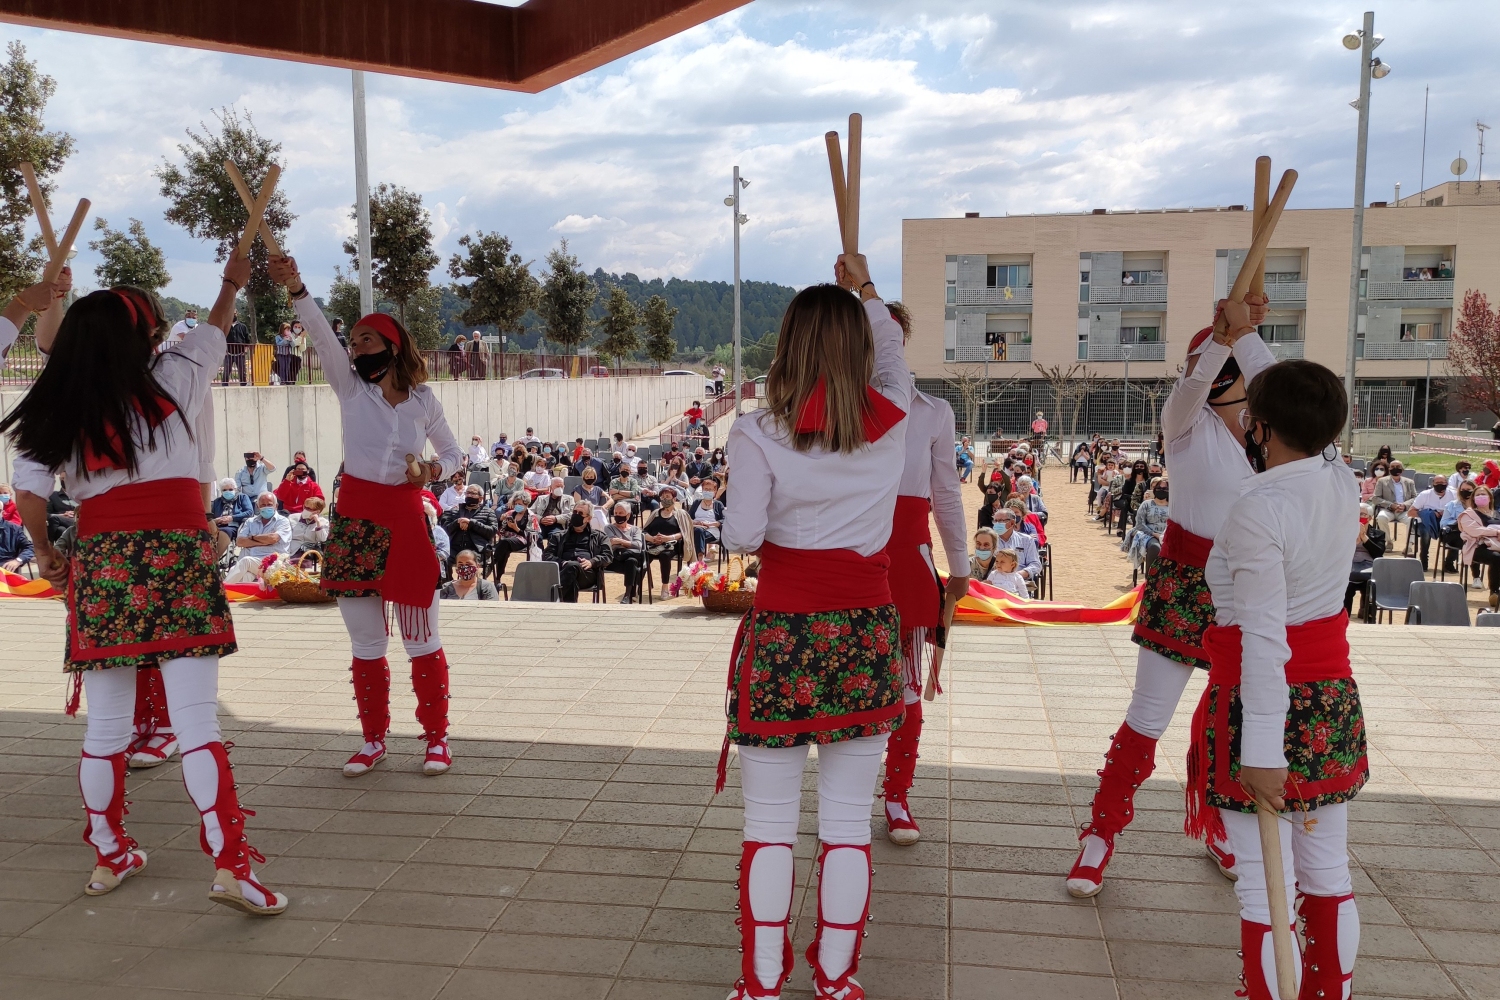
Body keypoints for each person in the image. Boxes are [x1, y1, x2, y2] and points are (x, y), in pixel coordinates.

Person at [0, 255, 289, 915]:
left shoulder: (64, 402)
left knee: (105, 727)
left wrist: (44, 550)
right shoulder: (180, 374)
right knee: (196, 722)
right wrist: (231, 283)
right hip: (179, 557)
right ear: (145, 337)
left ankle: (109, 855)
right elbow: (215, 326)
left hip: (102, 564)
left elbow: (28, 486)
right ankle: (232, 867)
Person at [718, 255, 910, 1000]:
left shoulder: (757, 432)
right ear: (860, 348)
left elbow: (740, 535)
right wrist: (864, 289)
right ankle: (836, 978)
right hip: (864, 633)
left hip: (786, 634)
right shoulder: (894, 417)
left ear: (787, 343)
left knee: (768, 824)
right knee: (846, 825)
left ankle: (762, 982)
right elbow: (891, 351)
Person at [1068, 292, 1272, 899]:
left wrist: (1248, 334)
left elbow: (1285, 387)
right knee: (1147, 718)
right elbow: (1191, 387)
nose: (1196, 376)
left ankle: (1222, 828)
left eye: (1212, 367)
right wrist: (1223, 339)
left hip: (1249, 591)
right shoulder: (1183, 424)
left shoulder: (1280, 438)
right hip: (1184, 584)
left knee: (1237, 722)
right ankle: (1100, 835)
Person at [1187, 359, 1365, 1000]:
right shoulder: (1339, 479)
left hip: (1269, 704)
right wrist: (1246, 331)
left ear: (1260, 428)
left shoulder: (1259, 507)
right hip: (1330, 700)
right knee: (1325, 871)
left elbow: (1264, 636)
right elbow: (1302, 398)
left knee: (1267, 885)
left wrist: (1262, 749)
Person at [271, 254, 464, 778]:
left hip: (404, 523)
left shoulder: (423, 400)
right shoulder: (350, 387)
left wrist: (430, 471)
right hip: (355, 523)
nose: (354, 349)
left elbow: (455, 456)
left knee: (422, 640)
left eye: (366, 341)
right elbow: (318, 335)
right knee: (366, 644)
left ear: (392, 346)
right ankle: (373, 740)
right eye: (353, 342)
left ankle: (437, 740)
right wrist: (296, 286)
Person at [875, 300, 969, 848]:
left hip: (907, 560)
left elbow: (946, 494)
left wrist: (959, 566)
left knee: (907, 689)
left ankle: (897, 793)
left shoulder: (932, 412)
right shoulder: (835, 405)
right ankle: (849, 796)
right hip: (847, 558)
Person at [642, 485, 697, 598]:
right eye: (662, 497)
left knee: (665, 555)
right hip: (653, 544)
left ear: (674, 499)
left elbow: (684, 533)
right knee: (641, 556)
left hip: (672, 546)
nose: (664, 499)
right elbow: (644, 531)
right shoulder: (655, 513)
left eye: (667, 496)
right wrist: (652, 538)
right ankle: (634, 588)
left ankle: (665, 586)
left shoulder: (681, 514)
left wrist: (668, 538)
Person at [227, 492, 292, 582]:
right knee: (246, 575)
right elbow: (240, 542)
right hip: (254, 563)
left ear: (276, 506)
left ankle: (222, 591)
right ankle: (237, 595)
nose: (266, 507)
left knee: (246, 561)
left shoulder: (283, 521)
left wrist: (252, 537)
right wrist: (265, 541)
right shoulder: (250, 521)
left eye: (269, 504)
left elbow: (273, 538)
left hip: (273, 564)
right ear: (258, 507)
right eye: (263, 505)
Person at [547, 508, 608, 601]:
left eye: (580, 513)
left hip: (587, 574)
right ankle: (568, 608)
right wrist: (562, 562)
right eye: (574, 512)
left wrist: (592, 562)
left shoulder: (599, 536)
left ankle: (554, 601)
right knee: (571, 570)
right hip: (561, 571)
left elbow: (608, 556)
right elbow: (547, 555)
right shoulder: (558, 536)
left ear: (589, 518)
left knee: (572, 566)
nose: (576, 515)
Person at [1458, 485, 1500, 609]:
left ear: (1490, 497)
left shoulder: (1497, 513)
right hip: (1478, 547)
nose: (1481, 497)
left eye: (1483, 494)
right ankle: (1494, 592)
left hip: (1497, 545)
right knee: (1497, 558)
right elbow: (1474, 531)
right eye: (1478, 495)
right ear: (1473, 499)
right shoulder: (1468, 514)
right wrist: (1495, 532)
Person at [439, 483, 497, 568]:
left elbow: (492, 531)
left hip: (477, 549)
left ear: (480, 498)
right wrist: (457, 522)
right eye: (467, 493)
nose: (469, 495)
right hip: (454, 548)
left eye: (473, 494)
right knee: (441, 558)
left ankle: (472, 581)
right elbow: (445, 531)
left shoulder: (488, 512)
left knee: (468, 561)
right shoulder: (455, 511)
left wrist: (472, 523)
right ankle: (448, 581)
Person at [1344, 503, 1386, 621]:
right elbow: (1339, 552)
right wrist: (1354, 542)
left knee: (1370, 583)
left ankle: (1366, 611)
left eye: (1362, 514)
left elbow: (1379, 553)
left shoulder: (1378, 534)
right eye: (1357, 514)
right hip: (1350, 565)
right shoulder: (1345, 532)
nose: (1359, 517)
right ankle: (1345, 613)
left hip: (1368, 567)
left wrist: (1364, 538)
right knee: (1347, 582)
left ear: (1370, 518)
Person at [603, 502, 646, 602]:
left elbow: (639, 545)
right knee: (632, 562)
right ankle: (631, 593)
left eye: (621, 513)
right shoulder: (609, 527)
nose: (617, 516)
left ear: (628, 515)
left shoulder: (635, 529)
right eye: (616, 513)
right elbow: (611, 542)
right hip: (615, 560)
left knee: (631, 561)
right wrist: (629, 544)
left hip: (629, 560)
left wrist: (620, 541)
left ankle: (627, 595)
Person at [1124, 477, 1169, 566]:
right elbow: (1139, 524)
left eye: (1165, 489)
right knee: (1154, 547)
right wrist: (1154, 534)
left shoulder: (1174, 506)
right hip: (1149, 534)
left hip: (1168, 534)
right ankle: (1150, 578)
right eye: (1159, 488)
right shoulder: (1146, 504)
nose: (1161, 490)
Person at [1371, 459, 1416, 545]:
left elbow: (1415, 498)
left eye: (1398, 467)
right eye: (1392, 467)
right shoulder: (1382, 481)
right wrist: (1391, 505)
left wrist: (1404, 505)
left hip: (1404, 511)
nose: (1395, 468)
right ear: (1389, 469)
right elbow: (1375, 498)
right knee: (1381, 518)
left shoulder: (1409, 482)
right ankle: (1388, 542)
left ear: (1402, 469)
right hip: (1388, 510)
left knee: (1412, 520)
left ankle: (1409, 547)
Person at [1409, 473, 1449, 568]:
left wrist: (1446, 513)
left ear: (1447, 483)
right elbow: (1410, 512)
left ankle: (1449, 563)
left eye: (1442, 482)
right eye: (1437, 482)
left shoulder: (1454, 494)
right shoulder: (1424, 495)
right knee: (1426, 532)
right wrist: (1428, 513)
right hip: (1425, 523)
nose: (1440, 484)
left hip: (1446, 523)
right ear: (1433, 483)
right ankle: (1423, 560)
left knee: (1457, 533)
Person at [531, 477, 574, 550]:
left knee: (555, 536)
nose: (560, 488)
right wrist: (540, 519)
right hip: (541, 524)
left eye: (561, 486)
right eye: (557, 486)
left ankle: (550, 555)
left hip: (558, 525)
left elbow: (572, 514)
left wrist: (556, 519)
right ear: (551, 487)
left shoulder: (569, 499)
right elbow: (530, 512)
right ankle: (539, 555)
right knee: (535, 536)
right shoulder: (541, 498)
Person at [210, 477, 253, 546]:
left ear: (235, 489)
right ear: (221, 491)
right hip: (218, 526)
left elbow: (249, 512)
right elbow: (211, 516)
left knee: (223, 532)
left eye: (230, 489)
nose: (227, 492)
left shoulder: (242, 497)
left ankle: (216, 556)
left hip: (234, 526)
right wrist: (216, 520)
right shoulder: (217, 502)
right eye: (224, 490)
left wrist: (232, 518)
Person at [688, 480, 725, 555]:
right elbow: (688, 518)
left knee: (698, 533)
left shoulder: (718, 504)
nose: (707, 491)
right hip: (696, 528)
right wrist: (696, 523)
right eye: (705, 489)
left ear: (715, 491)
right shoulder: (696, 503)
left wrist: (710, 524)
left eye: (710, 489)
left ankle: (698, 557)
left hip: (712, 530)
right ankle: (700, 556)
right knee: (698, 531)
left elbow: (724, 520)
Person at [222, 311, 252, 386]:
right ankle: (224, 386)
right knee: (226, 371)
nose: (233, 315)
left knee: (242, 371)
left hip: (240, 353)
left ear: (237, 314)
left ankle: (243, 386)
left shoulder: (243, 326)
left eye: (234, 313)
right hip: (228, 353)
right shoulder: (225, 326)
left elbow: (247, 340)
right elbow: (221, 339)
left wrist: (245, 350)